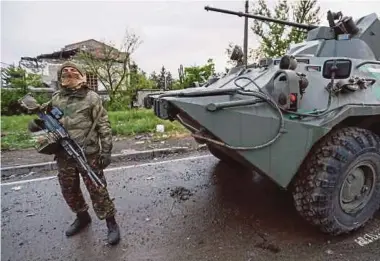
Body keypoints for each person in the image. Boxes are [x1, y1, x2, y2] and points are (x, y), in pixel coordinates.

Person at [26, 61, 120, 245]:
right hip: (63, 154)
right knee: (69, 189)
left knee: (97, 188)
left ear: (82, 76)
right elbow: (44, 118)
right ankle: (82, 217)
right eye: (65, 71)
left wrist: (106, 152)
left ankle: (111, 223)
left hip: (89, 153)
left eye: (74, 71)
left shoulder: (92, 98)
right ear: (60, 78)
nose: (69, 73)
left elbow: (104, 125)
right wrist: (36, 125)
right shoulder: (56, 98)